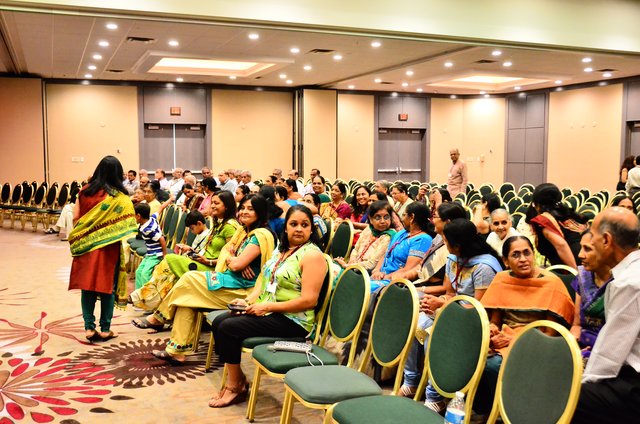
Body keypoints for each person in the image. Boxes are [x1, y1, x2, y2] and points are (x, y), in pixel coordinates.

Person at [209, 204, 327, 408]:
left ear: (311, 229)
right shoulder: (282, 250)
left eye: (305, 225)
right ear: (286, 228)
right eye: (294, 224)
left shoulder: (312, 256)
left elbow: (309, 300)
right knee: (220, 321)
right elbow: (263, 282)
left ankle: (235, 385)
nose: (299, 229)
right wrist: (248, 302)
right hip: (271, 311)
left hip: (294, 321)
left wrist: (266, 307)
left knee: (228, 327)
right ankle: (238, 379)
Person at [136, 195, 276, 358]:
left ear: (260, 212)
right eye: (243, 208)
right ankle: (176, 352)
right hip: (229, 280)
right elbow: (227, 252)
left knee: (188, 279)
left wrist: (233, 259)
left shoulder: (260, 235)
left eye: (250, 209)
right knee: (187, 298)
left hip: (243, 291)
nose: (244, 211)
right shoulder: (243, 231)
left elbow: (235, 263)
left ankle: (158, 317)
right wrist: (233, 258)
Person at [401, 218, 503, 406]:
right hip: (453, 311)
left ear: (458, 245)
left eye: (446, 241)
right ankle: (411, 381)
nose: (444, 244)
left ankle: (436, 395)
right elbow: (450, 293)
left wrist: (441, 305)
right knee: (415, 322)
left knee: (433, 334)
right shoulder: (453, 258)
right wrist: (436, 303)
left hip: (474, 319)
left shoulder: (484, 267)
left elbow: (479, 308)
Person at [473, 235, 575, 416]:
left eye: (527, 253)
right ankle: (488, 411)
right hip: (503, 338)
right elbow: (496, 320)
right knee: (474, 355)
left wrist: (513, 340)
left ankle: (513, 412)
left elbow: (549, 334)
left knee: (493, 365)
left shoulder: (551, 283)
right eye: (516, 255)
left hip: (536, 342)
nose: (523, 259)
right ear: (505, 261)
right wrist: (493, 329)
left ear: (533, 255)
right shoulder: (502, 280)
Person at [573, 207, 640, 423]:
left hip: (634, 380)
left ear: (606, 240)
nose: (589, 243)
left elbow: (608, 355)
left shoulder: (629, 283)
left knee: (569, 398)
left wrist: (581, 384)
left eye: (592, 236)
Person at [129, 194, 240, 310]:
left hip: (213, 268)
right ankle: (151, 300)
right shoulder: (219, 223)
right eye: (212, 202)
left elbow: (232, 257)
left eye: (216, 203)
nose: (212, 206)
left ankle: (146, 298)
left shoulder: (230, 227)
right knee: (171, 270)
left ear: (227, 206)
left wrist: (208, 261)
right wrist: (193, 251)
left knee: (170, 259)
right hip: (203, 261)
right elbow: (210, 248)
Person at [68, 156, 137, 342]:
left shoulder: (84, 191)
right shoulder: (119, 197)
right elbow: (128, 223)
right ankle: (105, 329)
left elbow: (75, 217)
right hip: (108, 248)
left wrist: (88, 233)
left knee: (87, 286)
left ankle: (89, 328)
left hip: (86, 245)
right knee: (107, 286)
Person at [370, 202, 434, 292]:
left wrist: (385, 277)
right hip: (380, 276)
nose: (401, 219)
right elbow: (386, 255)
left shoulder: (422, 240)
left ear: (412, 217)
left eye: (404, 215)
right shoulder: (402, 233)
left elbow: (408, 269)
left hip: (395, 282)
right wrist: (376, 271)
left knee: (361, 287)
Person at [570, 231, 612, 362]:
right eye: (581, 248)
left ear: (606, 250)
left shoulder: (623, 283)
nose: (580, 255)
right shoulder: (583, 278)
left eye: (587, 249)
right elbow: (577, 325)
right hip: (584, 343)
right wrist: (572, 348)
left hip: (611, 350)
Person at [526, 183, 588, 267]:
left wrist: (575, 271)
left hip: (570, 267)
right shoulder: (567, 213)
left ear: (537, 204)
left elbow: (561, 245)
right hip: (587, 261)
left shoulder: (544, 220)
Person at [334, 201, 396, 272]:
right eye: (378, 218)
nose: (382, 221)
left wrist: (348, 266)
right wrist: (352, 261)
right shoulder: (369, 229)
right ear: (370, 219)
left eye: (386, 217)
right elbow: (356, 249)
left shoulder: (389, 236)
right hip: (353, 267)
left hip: (367, 273)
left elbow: (372, 264)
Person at [133, 203, 167, 292]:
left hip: (156, 254)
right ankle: (138, 293)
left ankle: (147, 294)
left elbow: (161, 239)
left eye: (133, 215)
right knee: (138, 271)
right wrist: (171, 199)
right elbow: (161, 207)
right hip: (149, 253)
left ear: (138, 216)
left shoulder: (147, 230)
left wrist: (165, 255)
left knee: (145, 274)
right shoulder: (152, 218)